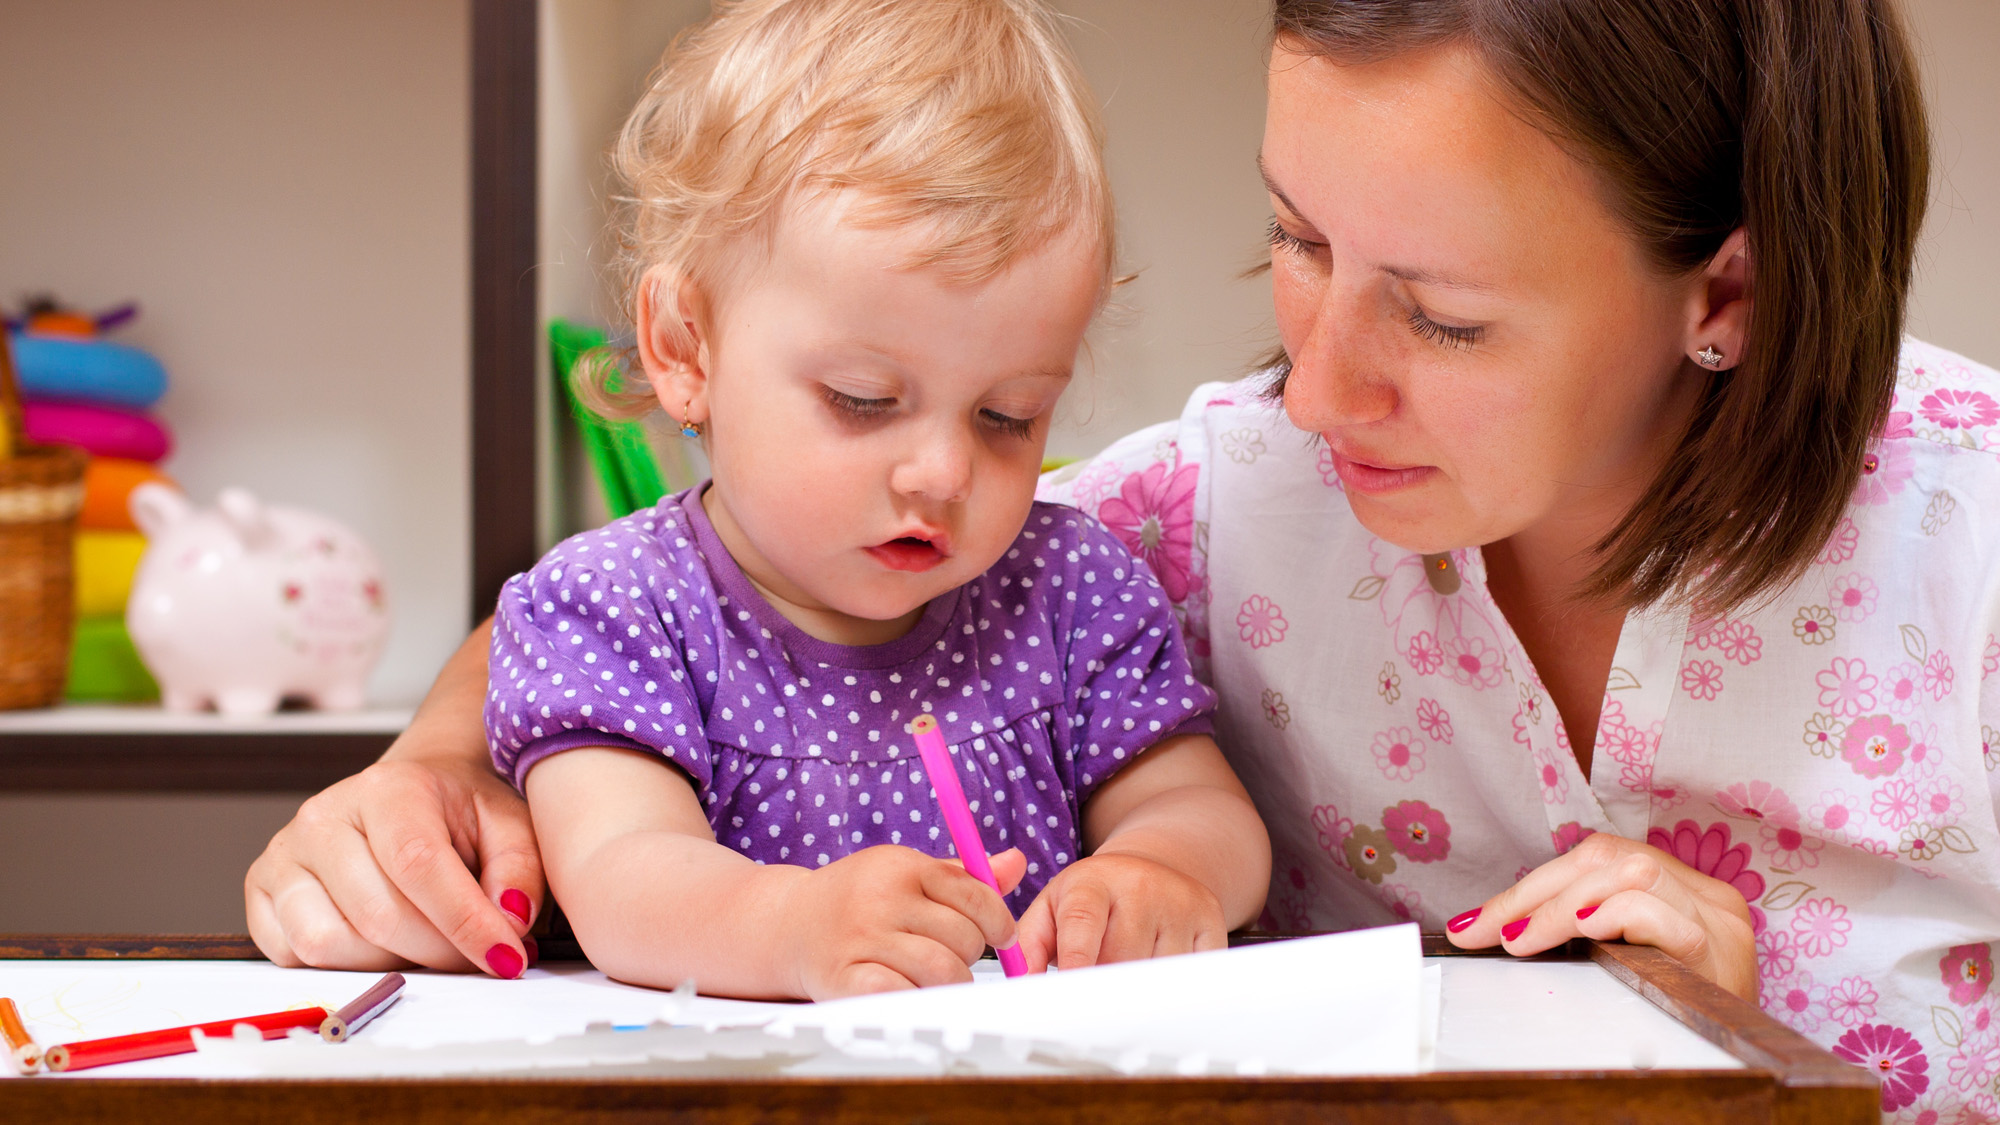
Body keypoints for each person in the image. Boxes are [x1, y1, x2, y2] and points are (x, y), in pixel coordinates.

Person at [249, 0, 1988, 1114]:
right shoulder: (1209, 512)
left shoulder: (1968, 551)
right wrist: (430, 770)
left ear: (1728, 295)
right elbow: (681, 588)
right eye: (1295, 241)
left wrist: (1728, 1079)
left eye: (1445, 320)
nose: (1309, 384)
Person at [264, 0, 1272, 1002]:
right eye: (863, 401)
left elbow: (1197, 805)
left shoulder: (1070, 588)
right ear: (683, 349)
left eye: (1007, 416)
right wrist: (792, 929)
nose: (943, 473)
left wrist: (1164, 873)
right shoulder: (614, 610)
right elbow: (623, 872)